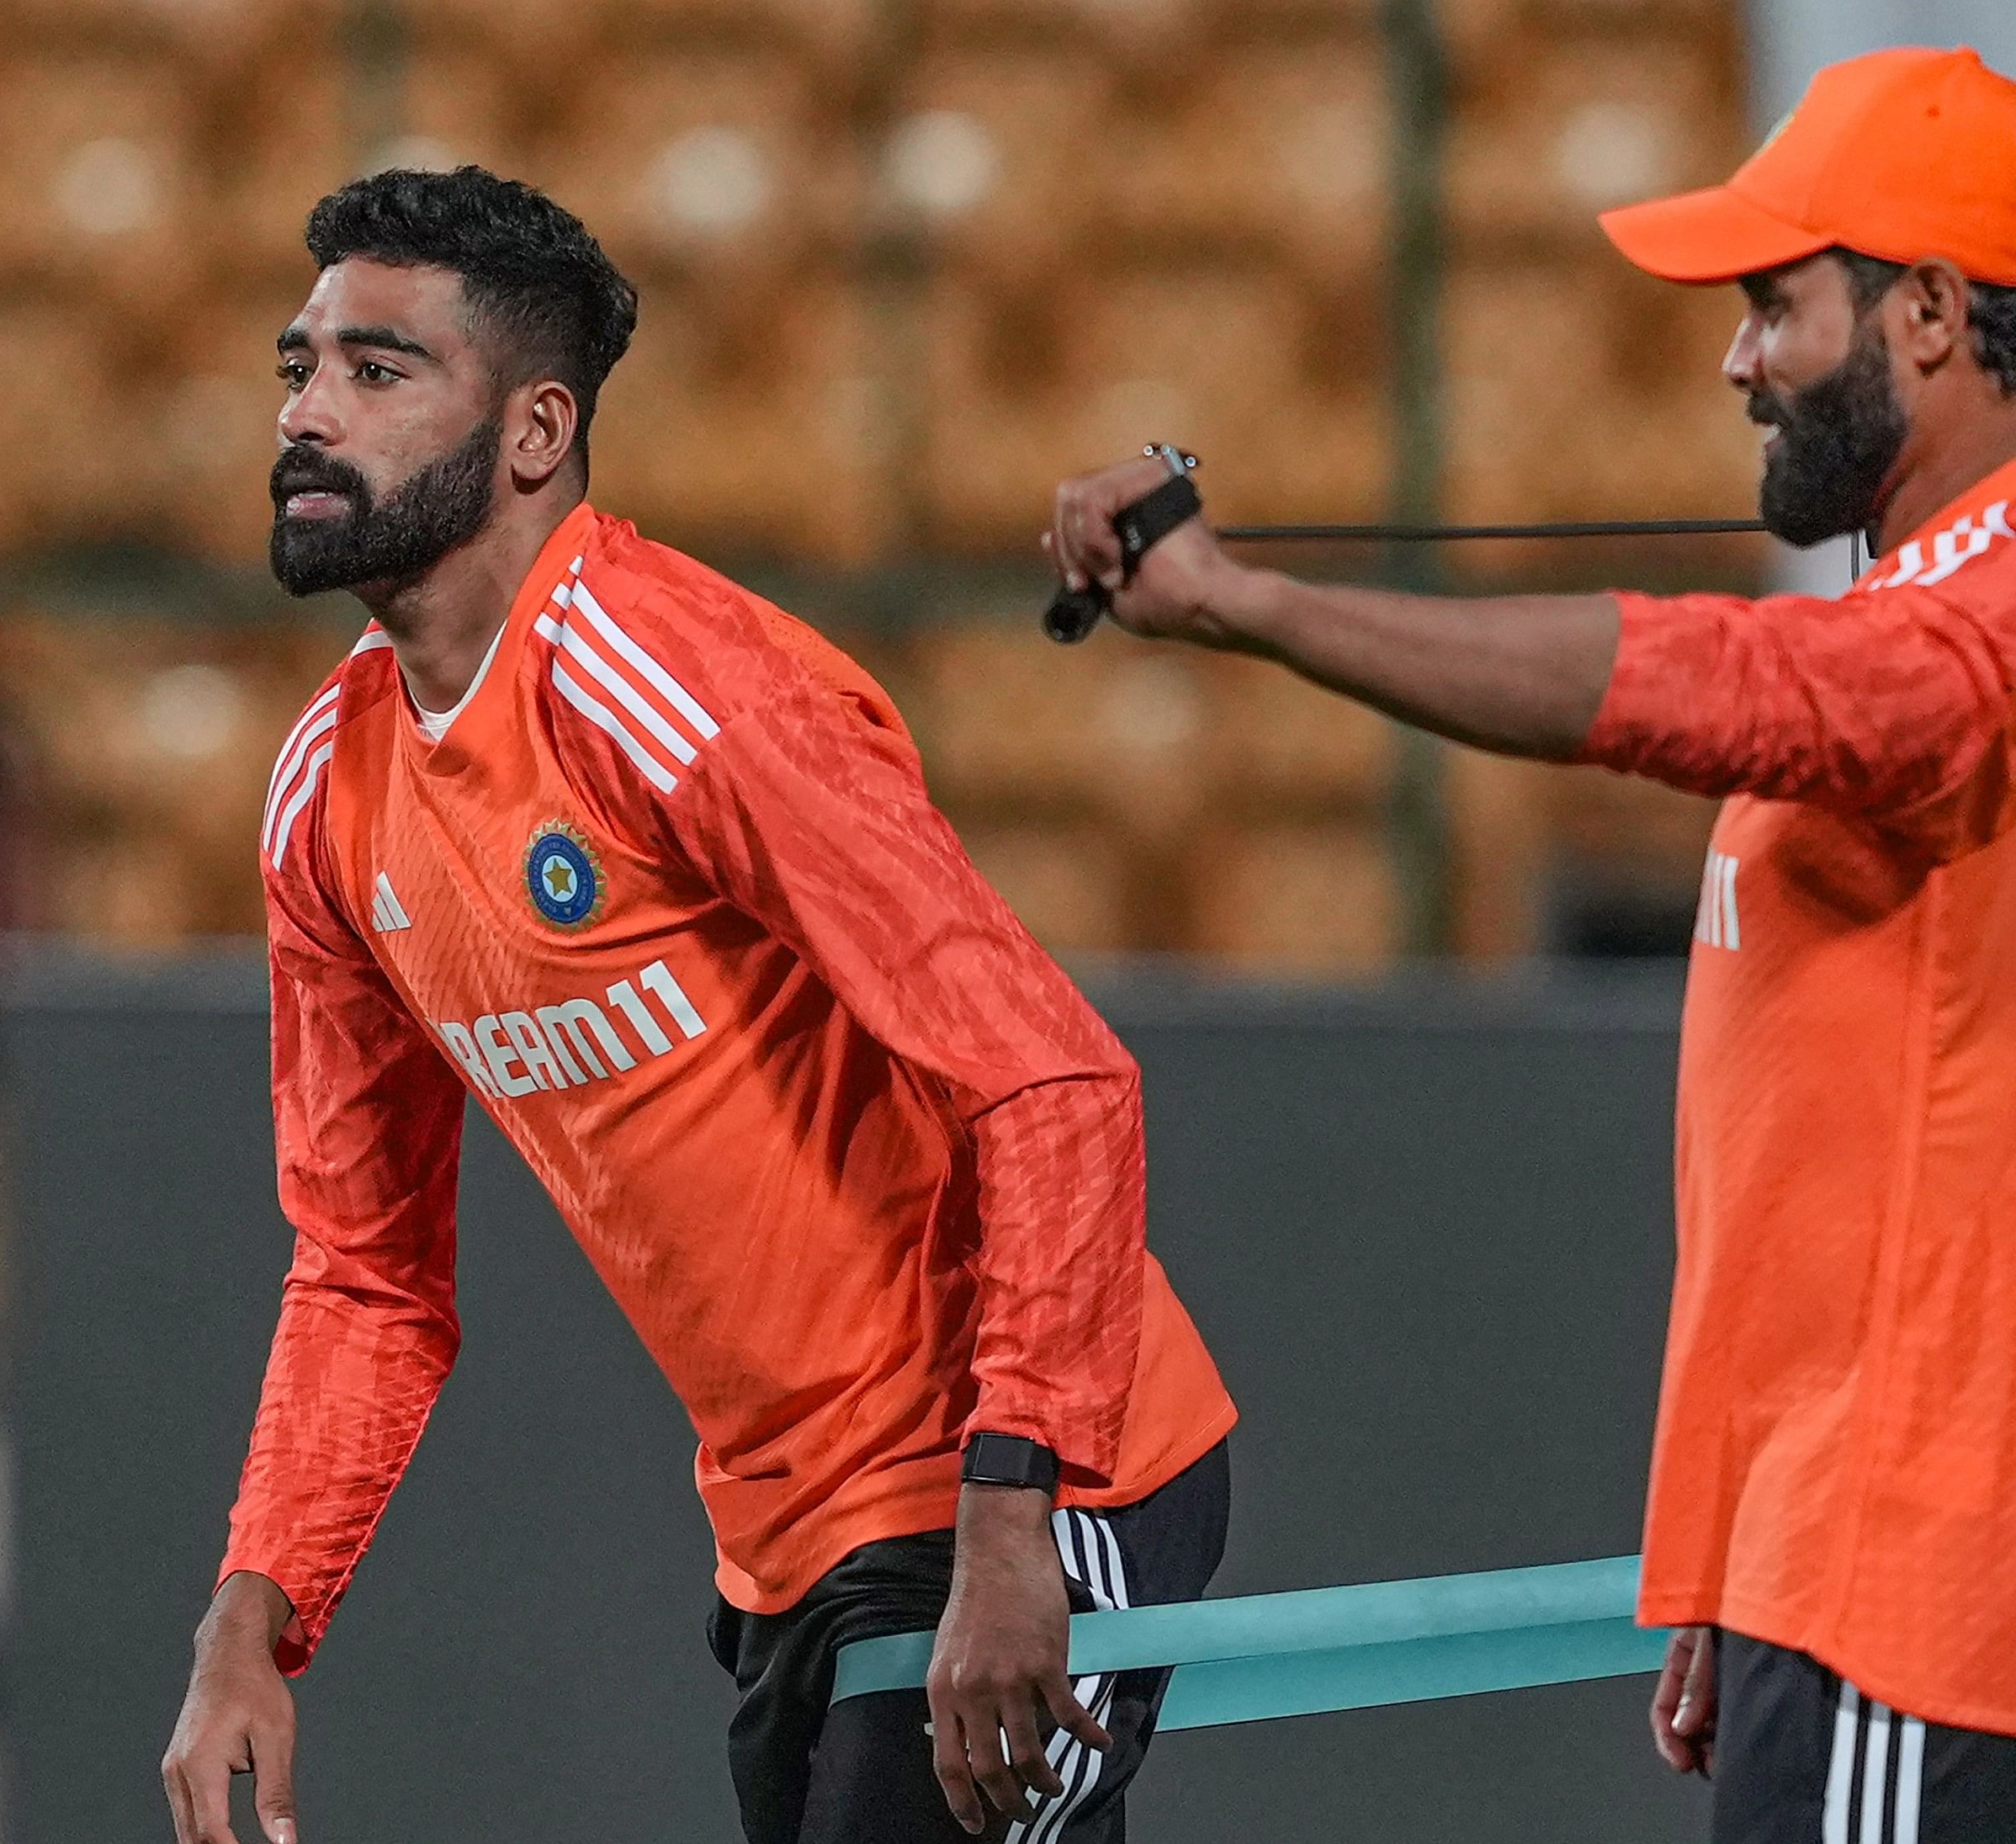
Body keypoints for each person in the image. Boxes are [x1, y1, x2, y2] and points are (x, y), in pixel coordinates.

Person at [1049, 47, 2016, 1844]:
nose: (1740, 358)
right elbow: (1811, 1162)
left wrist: (1252, 608)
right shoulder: (1960, 592)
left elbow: (1701, 684)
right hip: (1838, 1569)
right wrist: (1733, 1556)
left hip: (1935, 1584)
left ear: (1927, 313)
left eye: (1773, 305)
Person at [157, 167, 1239, 1844]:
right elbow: (367, 1277)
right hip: (788, 1546)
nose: (306, 412)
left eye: (378, 372)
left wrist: (1016, 1517)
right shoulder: (326, 796)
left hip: (1020, 1477)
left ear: (534, 433)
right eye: (297, 365)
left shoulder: (677, 691)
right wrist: (256, 1617)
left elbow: (1053, 1077)